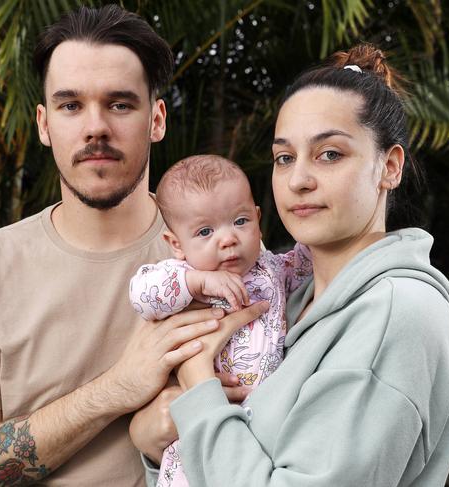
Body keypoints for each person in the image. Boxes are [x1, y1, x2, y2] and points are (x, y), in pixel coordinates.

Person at [0, 6, 264, 486]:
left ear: (157, 119)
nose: (96, 128)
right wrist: (117, 389)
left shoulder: (228, 251)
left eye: (120, 104)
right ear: (44, 125)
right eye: (71, 106)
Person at [130, 44, 449, 486]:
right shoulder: (288, 297)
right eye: (285, 157)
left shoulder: (394, 314)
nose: (298, 180)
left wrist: (196, 384)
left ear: (389, 166)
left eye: (330, 154)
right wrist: (159, 446)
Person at [129, 155, 313, 486]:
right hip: (197, 424)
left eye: (240, 221)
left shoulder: (274, 268)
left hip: (259, 425)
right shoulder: (182, 275)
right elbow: (142, 294)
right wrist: (196, 283)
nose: (227, 239)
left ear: (258, 219)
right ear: (176, 244)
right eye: (205, 231)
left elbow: (313, 256)